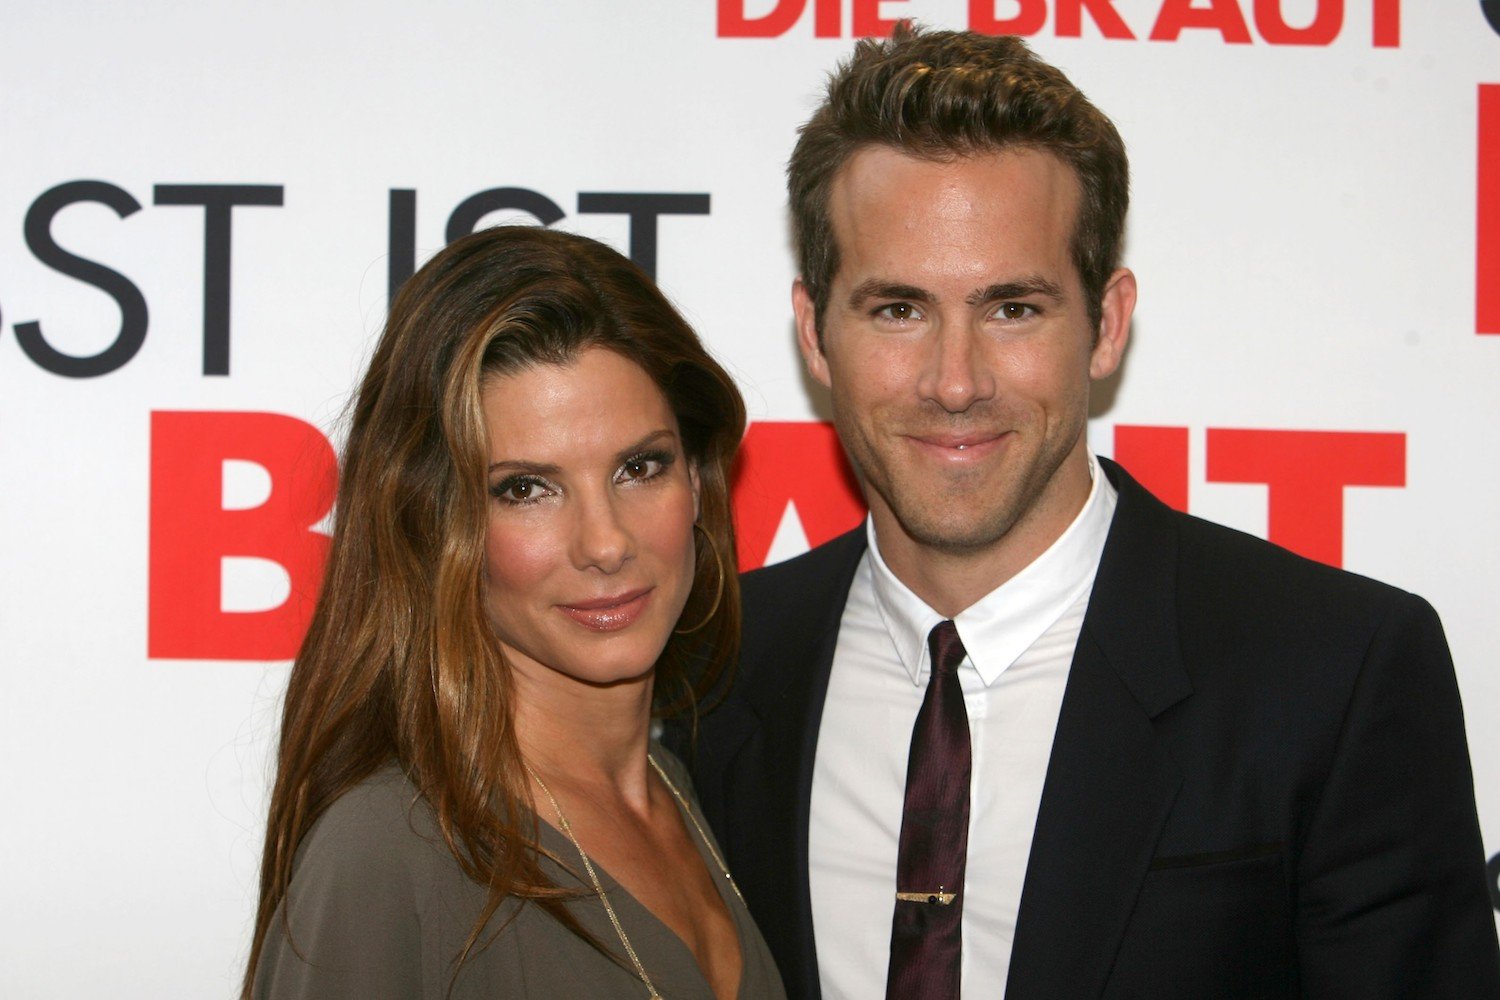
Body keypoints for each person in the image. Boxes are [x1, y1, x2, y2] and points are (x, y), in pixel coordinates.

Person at [676, 24, 1500, 1000]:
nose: (954, 381)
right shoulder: (713, 664)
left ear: (1106, 323)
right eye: (897, 309)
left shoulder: (1333, 671)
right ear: (816, 331)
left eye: (1012, 308)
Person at [242, 225, 786, 1000]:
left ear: (697, 479)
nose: (605, 544)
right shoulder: (386, 855)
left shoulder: (686, 794)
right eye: (526, 489)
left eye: (640, 468)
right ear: (435, 521)